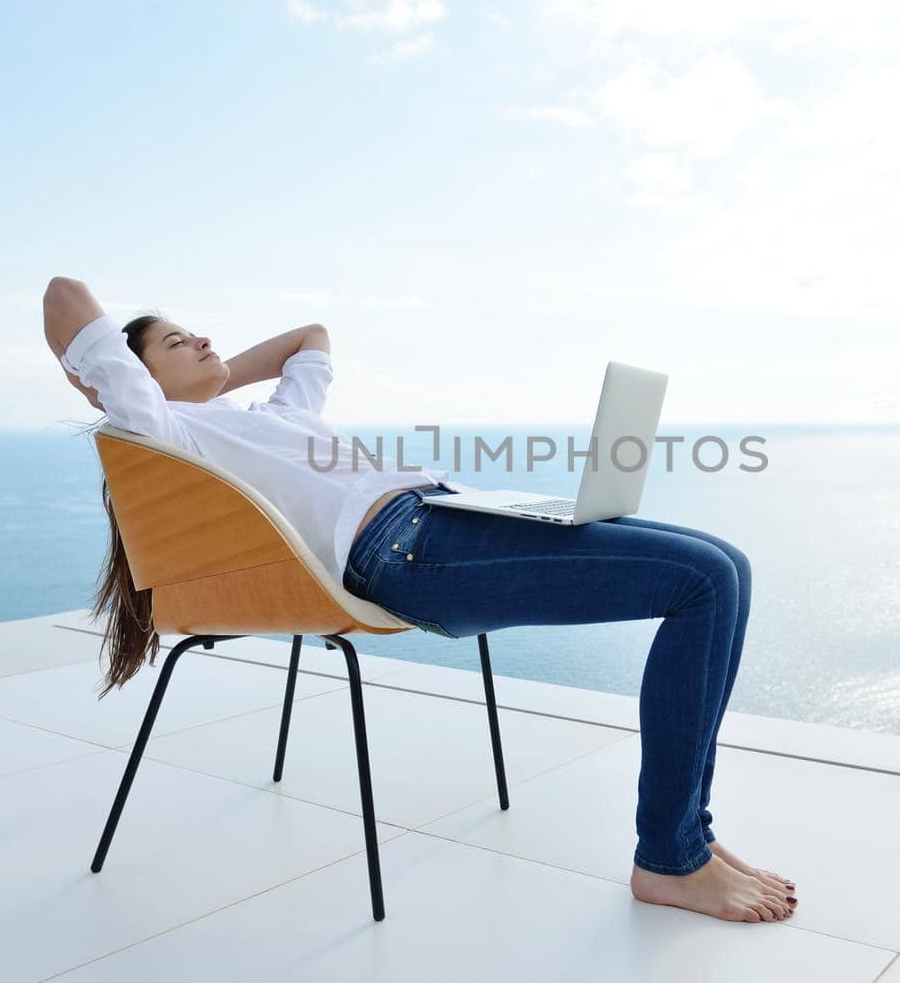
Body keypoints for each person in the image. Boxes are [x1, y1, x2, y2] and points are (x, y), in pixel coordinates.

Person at [42, 276, 796, 923]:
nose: (203, 341)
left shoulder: (271, 421)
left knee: (727, 565)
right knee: (701, 583)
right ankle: (669, 857)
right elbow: (64, 295)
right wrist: (115, 381)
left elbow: (312, 336)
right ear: (127, 378)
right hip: (408, 553)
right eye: (178, 341)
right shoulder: (163, 427)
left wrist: (207, 370)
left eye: (200, 335)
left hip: (448, 516)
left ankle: (686, 834)